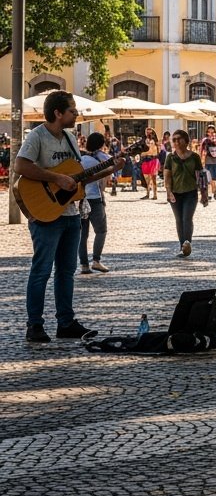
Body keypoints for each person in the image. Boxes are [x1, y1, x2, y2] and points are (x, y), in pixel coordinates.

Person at [17, 91, 124, 342]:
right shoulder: (37, 136)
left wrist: (110, 168)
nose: (77, 114)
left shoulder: (70, 138)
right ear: (58, 113)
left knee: (66, 270)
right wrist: (56, 178)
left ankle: (65, 322)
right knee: (41, 270)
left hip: (71, 213)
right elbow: (20, 166)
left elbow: (78, 178)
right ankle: (34, 325)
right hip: (46, 213)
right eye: (72, 110)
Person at [164, 129, 204, 258]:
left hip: (191, 192)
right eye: (173, 140)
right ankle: (182, 246)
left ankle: (187, 243)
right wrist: (168, 192)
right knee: (179, 220)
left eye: (178, 139)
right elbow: (167, 177)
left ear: (186, 141)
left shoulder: (194, 157)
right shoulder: (170, 157)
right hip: (175, 193)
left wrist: (204, 193)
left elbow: (200, 176)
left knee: (187, 218)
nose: (175, 142)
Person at [78, 132, 112, 274]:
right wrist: (103, 196)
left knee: (83, 234)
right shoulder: (103, 159)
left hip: (80, 198)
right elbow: (104, 181)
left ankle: (84, 265)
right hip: (95, 198)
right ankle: (96, 261)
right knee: (101, 230)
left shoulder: (79, 158)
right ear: (101, 144)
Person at [199, 124, 216, 200]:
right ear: (207, 132)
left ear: (215, 132)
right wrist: (201, 161)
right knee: (208, 179)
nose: (211, 133)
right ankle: (210, 193)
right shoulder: (205, 141)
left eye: (212, 132)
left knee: (214, 179)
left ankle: (214, 191)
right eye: (209, 132)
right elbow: (201, 151)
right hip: (208, 162)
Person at [139, 127, 161, 198]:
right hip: (146, 160)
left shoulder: (153, 141)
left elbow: (152, 151)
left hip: (152, 160)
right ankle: (148, 194)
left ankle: (155, 195)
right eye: (147, 132)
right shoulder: (145, 140)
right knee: (147, 179)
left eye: (149, 132)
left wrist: (143, 153)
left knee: (153, 179)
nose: (148, 133)